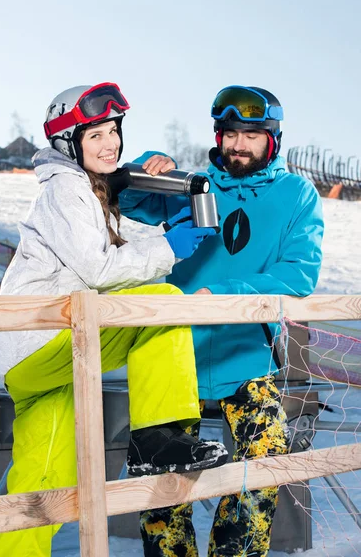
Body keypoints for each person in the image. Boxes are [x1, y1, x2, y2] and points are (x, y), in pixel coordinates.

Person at [0, 82, 229, 557]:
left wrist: (166, 236)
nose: (111, 142)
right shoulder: (65, 188)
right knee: (160, 303)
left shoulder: (86, 192)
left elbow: (103, 255)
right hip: (49, 339)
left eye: (114, 130)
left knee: (44, 482)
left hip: (35, 358)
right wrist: (168, 249)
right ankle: (161, 437)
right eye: (96, 134)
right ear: (68, 142)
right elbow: (99, 271)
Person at [119, 85, 324, 557]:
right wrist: (153, 163)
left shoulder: (296, 195)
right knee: (161, 481)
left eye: (251, 134)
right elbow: (127, 197)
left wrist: (221, 297)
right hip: (172, 357)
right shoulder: (194, 186)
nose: (238, 145)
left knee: (265, 462)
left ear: (272, 138)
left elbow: (298, 275)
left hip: (246, 358)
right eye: (230, 133)